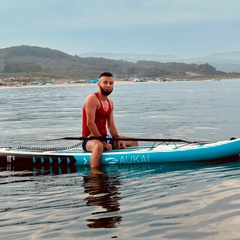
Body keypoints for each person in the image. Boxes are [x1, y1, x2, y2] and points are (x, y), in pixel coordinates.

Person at [82, 72, 138, 170]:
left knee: (133, 142)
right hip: (90, 138)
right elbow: (90, 123)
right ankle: (95, 175)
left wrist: (118, 139)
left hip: (105, 137)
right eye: (105, 82)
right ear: (99, 84)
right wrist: (103, 143)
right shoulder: (92, 99)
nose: (108, 85)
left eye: (111, 83)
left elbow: (111, 125)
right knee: (98, 146)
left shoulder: (110, 103)